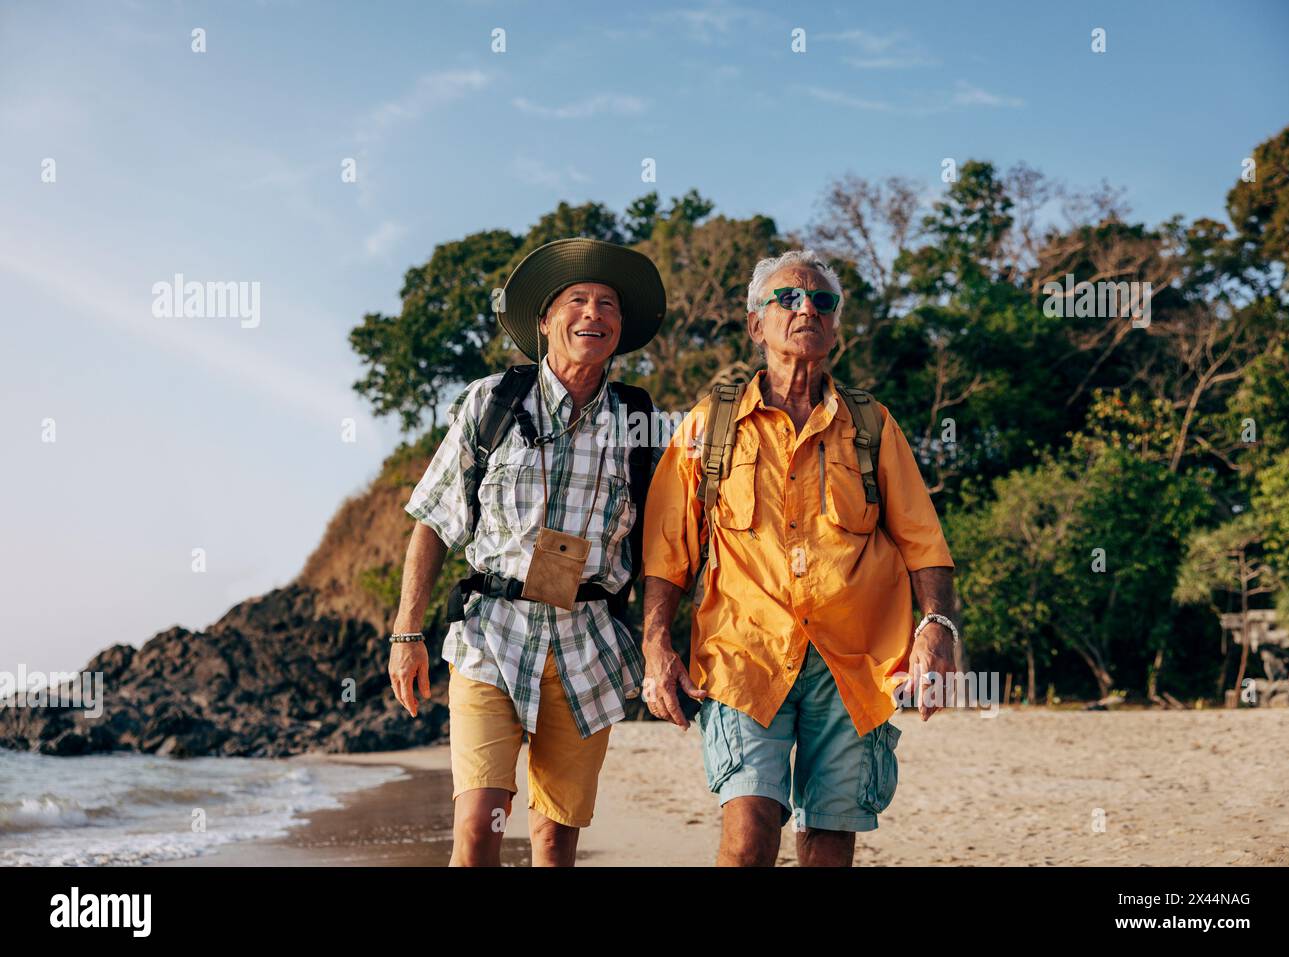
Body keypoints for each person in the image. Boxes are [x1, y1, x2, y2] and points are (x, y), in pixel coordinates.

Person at [640, 249, 960, 867]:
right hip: (743, 654)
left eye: (822, 301)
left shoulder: (872, 424)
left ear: (836, 328)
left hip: (856, 660)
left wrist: (937, 629)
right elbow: (666, 553)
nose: (806, 308)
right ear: (757, 325)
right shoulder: (708, 426)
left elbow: (925, 542)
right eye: (787, 298)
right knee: (748, 831)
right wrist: (657, 645)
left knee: (830, 844)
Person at [388, 237, 666, 866]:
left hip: (588, 644)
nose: (593, 313)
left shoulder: (641, 423)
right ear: (545, 322)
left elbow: (665, 550)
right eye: (577, 300)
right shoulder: (491, 401)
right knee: (479, 827)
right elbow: (433, 521)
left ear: (620, 329)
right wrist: (406, 633)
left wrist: (664, 642)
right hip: (492, 636)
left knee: (555, 841)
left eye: (607, 305)